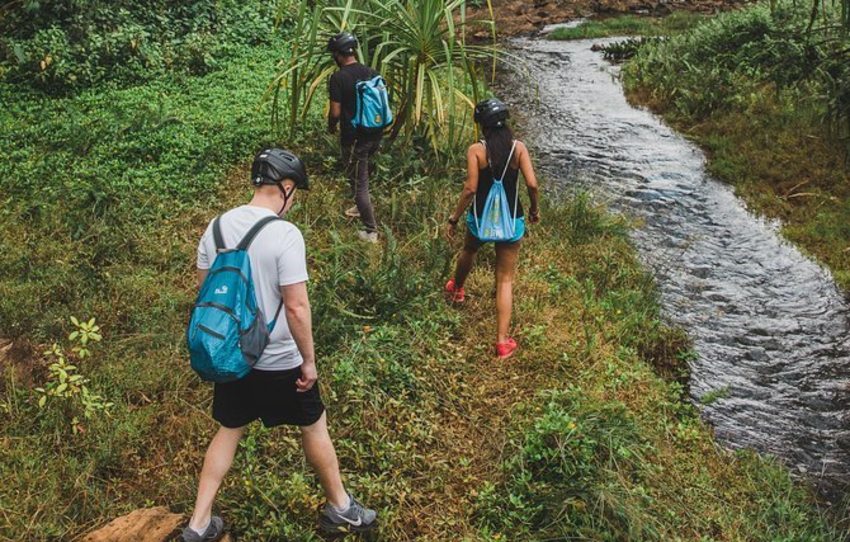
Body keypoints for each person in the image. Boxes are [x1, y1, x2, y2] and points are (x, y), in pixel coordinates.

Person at [182, 148, 377, 541]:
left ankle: (198, 525)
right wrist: (309, 362)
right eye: (295, 193)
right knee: (314, 424)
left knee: (228, 429)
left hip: (234, 356)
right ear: (286, 188)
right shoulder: (285, 234)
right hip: (280, 359)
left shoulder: (216, 226)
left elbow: (206, 291)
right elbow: (297, 307)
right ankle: (340, 509)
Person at [444, 99, 540, 360]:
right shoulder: (518, 149)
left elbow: (470, 189)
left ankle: (457, 289)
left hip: (480, 218)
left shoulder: (476, 150)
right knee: (505, 279)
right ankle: (501, 342)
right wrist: (534, 210)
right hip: (512, 220)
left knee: (469, 250)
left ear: (482, 127)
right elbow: (532, 184)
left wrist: (453, 219)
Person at [327, 31, 382, 244]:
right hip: (374, 134)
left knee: (359, 184)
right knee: (359, 174)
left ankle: (371, 231)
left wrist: (331, 127)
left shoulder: (338, 78)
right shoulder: (371, 72)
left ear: (339, 55)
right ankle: (361, 206)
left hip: (353, 138)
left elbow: (335, 113)